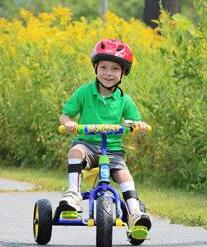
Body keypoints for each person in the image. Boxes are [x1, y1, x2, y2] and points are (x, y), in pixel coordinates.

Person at [59, 39, 151, 233]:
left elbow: (132, 121)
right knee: (75, 151)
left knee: (124, 173)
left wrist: (138, 125)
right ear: (95, 68)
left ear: (123, 73)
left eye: (115, 69)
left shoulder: (124, 100)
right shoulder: (84, 92)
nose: (109, 73)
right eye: (104, 67)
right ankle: (73, 195)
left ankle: (135, 212)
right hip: (87, 145)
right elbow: (66, 114)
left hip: (113, 150)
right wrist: (68, 123)